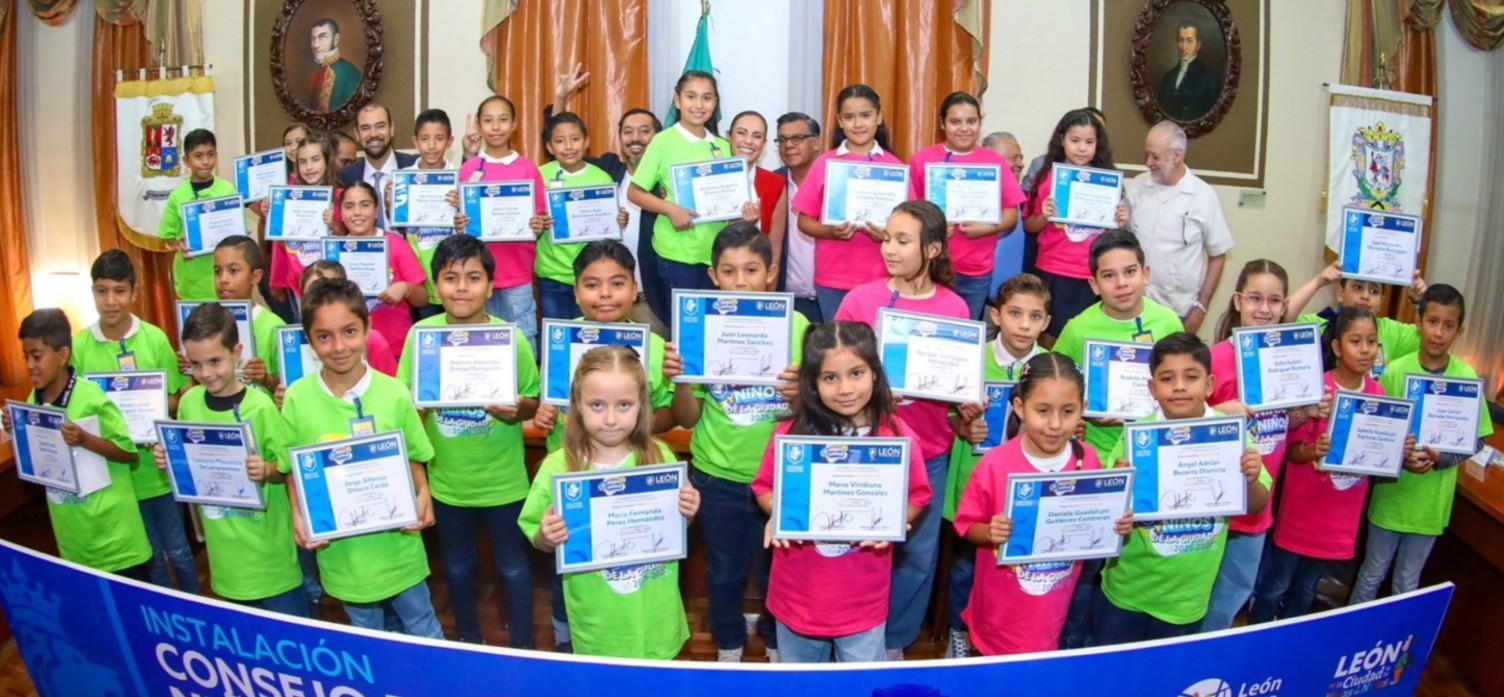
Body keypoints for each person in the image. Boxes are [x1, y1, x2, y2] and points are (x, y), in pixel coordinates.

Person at [666, 224, 806, 662]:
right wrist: (682, 378)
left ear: (771, 273)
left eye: (751, 270)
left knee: (775, 571)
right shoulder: (697, 326)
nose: (740, 281)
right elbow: (687, 418)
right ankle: (728, 643)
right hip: (717, 472)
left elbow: (810, 414)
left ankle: (774, 639)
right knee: (725, 570)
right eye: (728, 271)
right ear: (713, 276)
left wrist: (797, 395)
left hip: (778, 476)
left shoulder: (798, 326)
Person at [751, 322, 932, 663]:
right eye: (830, 378)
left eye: (856, 373)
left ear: (875, 373)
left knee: (860, 683)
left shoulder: (897, 436)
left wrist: (892, 523)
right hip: (797, 597)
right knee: (801, 685)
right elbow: (764, 487)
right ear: (813, 384)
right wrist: (779, 511)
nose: (845, 388)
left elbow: (918, 495)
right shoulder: (792, 436)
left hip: (862, 601)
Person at [833, 200, 967, 659]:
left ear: (932, 249)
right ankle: (849, 635)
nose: (889, 248)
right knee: (855, 551)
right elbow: (830, 372)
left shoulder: (954, 307)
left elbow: (957, 388)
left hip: (928, 453)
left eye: (902, 241)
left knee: (915, 558)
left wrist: (969, 404)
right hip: (864, 453)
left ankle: (893, 644)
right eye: (888, 238)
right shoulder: (859, 300)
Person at [396, 235, 541, 647]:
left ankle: (525, 644)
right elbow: (404, 404)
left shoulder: (511, 338)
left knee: (514, 568)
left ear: (491, 287)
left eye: (474, 278)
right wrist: (414, 407)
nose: (461, 288)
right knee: (458, 569)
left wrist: (520, 409)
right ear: (435, 285)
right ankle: (468, 641)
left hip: (504, 481)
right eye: (450, 278)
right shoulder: (421, 337)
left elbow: (532, 402)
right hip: (447, 482)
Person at [280, 279, 442, 637]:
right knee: (367, 635)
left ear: (368, 328)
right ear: (309, 340)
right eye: (324, 336)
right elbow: (292, 468)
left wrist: (423, 493)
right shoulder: (296, 399)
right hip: (344, 558)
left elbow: (416, 456)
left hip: (399, 549)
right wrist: (297, 514)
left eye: (350, 331)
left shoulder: (394, 392)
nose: (339, 346)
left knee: (424, 627)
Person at [519, 345, 701, 659]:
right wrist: (545, 536)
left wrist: (689, 510)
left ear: (642, 405)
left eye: (624, 405)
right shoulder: (557, 467)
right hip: (598, 627)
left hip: (657, 618)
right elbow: (536, 533)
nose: (611, 419)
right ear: (577, 406)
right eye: (597, 405)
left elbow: (677, 527)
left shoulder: (661, 459)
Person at [1049, 230, 1182, 647]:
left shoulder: (1167, 323)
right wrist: (1081, 415)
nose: (1121, 283)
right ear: (1093, 284)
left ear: (1146, 274)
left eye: (1129, 272)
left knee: (1134, 557)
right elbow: (1059, 391)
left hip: (1151, 462)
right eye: (1109, 276)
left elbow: (1180, 391)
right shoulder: (1078, 329)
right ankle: (1074, 646)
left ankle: (1117, 642)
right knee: (1087, 564)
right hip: (1095, 459)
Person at [1095, 333, 1269, 643]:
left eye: (1191, 377)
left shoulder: (1231, 434)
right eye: (1167, 378)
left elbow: (1257, 504)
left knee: (1167, 670)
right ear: (1152, 388)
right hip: (1128, 589)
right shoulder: (1137, 435)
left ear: (1209, 384)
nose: (1179, 386)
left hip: (1187, 599)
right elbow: (1110, 515)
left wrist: (1251, 477)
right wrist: (1119, 487)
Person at [957, 353, 1133, 655]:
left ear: (1083, 410)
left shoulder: (1088, 460)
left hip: (1053, 611)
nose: (1055, 424)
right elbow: (967, 525)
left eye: (1068, 411)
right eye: (1042, 410)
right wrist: (990, 532)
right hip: (999, 616)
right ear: (1020, 407)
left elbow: (1099, 529)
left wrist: (1119, 523)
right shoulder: (995, 464)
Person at [1250, 308, 1415, 622]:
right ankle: (1257, 639)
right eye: (1356, 341)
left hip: (1339, 518)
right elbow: (1291, 452)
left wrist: (1399, 449)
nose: (1365, 350)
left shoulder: (1379, 394)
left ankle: (1293, 641)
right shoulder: (1318, 389)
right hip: (1302, 512)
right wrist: (1314, 451)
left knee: (1306, 589)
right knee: (1275, 586)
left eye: (1371, 342)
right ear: (1338, 347)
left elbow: (1379, 454)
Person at [1198, 260, 1330, 631]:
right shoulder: (1216, 358)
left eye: (1274, 301)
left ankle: (1213, 652)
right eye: (1255, 298)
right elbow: (1183, 428)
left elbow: (1277, 427)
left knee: (1234, 593)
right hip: (1213, 506)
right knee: (1198, 595)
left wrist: (1304, 413)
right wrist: (1218, 413)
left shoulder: (1289, 360)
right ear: (1238, 300)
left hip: (1257, 506)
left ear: (1285, 306)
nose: (1264, 308)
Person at [155, 304, 305, 616]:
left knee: (289, 634)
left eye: (215, 361)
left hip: (270, 556)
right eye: (196, 364)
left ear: (236, 352)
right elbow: (189, 472)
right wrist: (170, 460)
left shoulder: (261, 406)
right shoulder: (189, 404)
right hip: (225, 558)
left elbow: (285, 469)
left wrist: (266, 469)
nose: (206, 373)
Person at [1352, 285, 1490, 604]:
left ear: (1459, 331)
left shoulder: (1467, 377)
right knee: (1371, 574)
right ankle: (1351, 635)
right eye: (1432, 322)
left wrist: (1443, 457)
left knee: (1406, 583)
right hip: (1390, 499)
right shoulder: (1396, 371)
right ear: (1418, 322)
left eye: (1448, 325)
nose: (1438, 333)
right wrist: (1399, 455)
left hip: (1429, 506)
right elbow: (1374, 430)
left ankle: (1398, 638)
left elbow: (1478, 437)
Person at [71, 251, 192, 591]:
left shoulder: (154, 338)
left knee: (179, 551)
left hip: (156, 470)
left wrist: (149, 407)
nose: (111, 301)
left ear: (134, 292)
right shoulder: (79, 347)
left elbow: (178, 399)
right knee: (148, 556)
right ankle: (156, 612)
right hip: (115, 475)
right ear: (93, 292)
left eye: (120, 291)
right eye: (102, 291)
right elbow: (75, 407)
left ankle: (193, 607)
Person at [943, 272, 1050, 656]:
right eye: (1015, 313)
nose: (1024, 325)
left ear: (1046, 322)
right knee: (966, 569)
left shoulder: (1051, 368)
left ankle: (1000, 638)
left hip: (1029, 487)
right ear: (996, 315)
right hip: (976, 482)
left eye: (1034, 316)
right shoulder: (972, 358)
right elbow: (948, 416)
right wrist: (964, 426)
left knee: (1012, 572)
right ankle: (958, 632)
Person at [4, 309, 151, 580]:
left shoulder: (91, 397)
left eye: (37, 356)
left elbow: (129, 454)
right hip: (74, 541)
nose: (30, 365)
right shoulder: (33, 399)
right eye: (26, 357)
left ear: (62, 356)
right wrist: (17, 430)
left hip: (116, 542)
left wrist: (85, 439)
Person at [794, 85, 909, 320]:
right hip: (832, 278)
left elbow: (910, 226)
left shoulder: (895, 167)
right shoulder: (824, 163)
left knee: (874, 342)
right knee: (839, 341)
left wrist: (887, 236)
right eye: (849, 117)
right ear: (839, 121)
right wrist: (830, 232)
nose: (858, 124)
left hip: (882, 277)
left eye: (865, 115)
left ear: (879, 117)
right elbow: (804, 221)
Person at [910, 93, 1027, 321]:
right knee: (928, 328)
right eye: (955, 122)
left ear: (980, 123)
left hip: (976, 270)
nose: (964, 129)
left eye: (971, 121)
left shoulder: (994, 162)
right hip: (930, 266)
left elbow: (1011, 214)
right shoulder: (923, 159)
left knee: (965, 331)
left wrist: (988, 228)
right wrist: (934, 229)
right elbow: (909, 214)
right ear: (942, 123)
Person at [628, 70, 738, 293]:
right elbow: (634, 192)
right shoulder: (662, 141)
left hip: (716, 254)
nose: (699, 105)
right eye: (691, 96)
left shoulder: (723, 146)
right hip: (676, 252)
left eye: (707, 97)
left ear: (715, 102)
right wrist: (670, 209)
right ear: (678, 101)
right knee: (684, 316)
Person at [1023, 110, 1127, 342]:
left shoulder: (1108, 180)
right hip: (1053, 270)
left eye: (1089, 142)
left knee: (1086, 338)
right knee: (1049, 338)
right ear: (1062, 140)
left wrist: (1121, 221)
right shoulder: (1047, 177)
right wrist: (1044, 217)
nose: (1082, 148)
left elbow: (1114, 234)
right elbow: (1029, 226)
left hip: (1092, 273)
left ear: (1098, 144)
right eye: (1075, 140)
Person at [454, 96, 548, 352]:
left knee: (522, 345)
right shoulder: (469, 169)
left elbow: (540, 219)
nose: (496, 127)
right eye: (488, 120)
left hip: (517, 275)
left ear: (514, 124)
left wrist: (537, 225)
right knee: (481, 346)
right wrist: (459, 223)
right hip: (477, 275)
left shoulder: (528, 169)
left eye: (503, 120)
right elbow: (460, 220)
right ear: (479, 125)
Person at [1124, 121, 1233, 333]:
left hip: (1179, 311)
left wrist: (1201, 307)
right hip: (1136, 305)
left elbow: (1218, 255)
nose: (1148, 162)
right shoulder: (1137, 186)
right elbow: (1123, 241)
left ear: (1177, 155)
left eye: (1155, 156)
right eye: (1147, 154)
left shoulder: (1203, 195)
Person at [535, 111, 630, 321]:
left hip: (592, 275)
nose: (568, 146)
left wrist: (619, 221)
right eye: (560, 141)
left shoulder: (601, 178)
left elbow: (611, 224)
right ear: (550, 147)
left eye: (575, 139)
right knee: (558, 333)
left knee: (591, 332)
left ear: (586, 141)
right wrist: (538, 223)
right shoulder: (539, 175)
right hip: (552, 273)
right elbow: (529, 222)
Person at [1287, 263, 1424, 380]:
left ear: (1381, 301)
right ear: (1341, 293)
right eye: (1358, 287)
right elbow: (1283, 320)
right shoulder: (1321, 324)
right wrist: (1318, 282)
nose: (1365, 296)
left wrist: (1420, 301)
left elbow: (1431, 337)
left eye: (1374, 291)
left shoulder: (1392, 332)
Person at [337, 182, 429, 357]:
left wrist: (406, 288)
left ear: (376, 210)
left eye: (365, 205)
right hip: (350, 351)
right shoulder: (334, 250)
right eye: (349, 206)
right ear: (341, 213)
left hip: (396, 349)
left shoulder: (396, 244)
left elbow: (423, 299)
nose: (357, 212)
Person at [270, 134, 344, 318]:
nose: (309, 167)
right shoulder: (289, 199)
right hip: (299, 280)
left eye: (315, 160)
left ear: (328, 161)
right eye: (303, 162)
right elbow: (280, 245)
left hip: (335, 280)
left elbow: (350, 239)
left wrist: (335, 224)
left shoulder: (342, 197)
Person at [158, 128, 237, 301]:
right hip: (191, 280)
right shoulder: (178, 196)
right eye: (198, 156)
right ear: (186, 161)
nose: (206, 162)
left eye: (210, 155)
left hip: (225, 280)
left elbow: (238, 235)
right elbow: (167, 240)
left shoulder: (228, 190)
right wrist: (179, 245)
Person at [398, 108, 459, 320]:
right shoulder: (403, 179)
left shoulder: (460, 177)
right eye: (425, 139)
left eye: (439, 139)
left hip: (454, 274)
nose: (431, 146)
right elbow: (398, 225)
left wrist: (463, 205)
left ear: (450, 141)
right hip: (419, 276)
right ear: (415, 141)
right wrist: (391, 204)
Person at [295, 260, 399, 378]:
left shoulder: (374, 340)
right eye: (314, 293)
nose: (338, 347)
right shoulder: (294, 344)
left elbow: (391, 382)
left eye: (332, 290)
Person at [212, 235, 286, 393]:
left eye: (233, 271)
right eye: (218, 271)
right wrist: (192, 365)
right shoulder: (207, 323)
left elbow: (292, 387)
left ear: (255, 276)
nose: (223, 279)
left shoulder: (274, 326)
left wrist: (266, 379)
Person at [774, 112, 824, 323]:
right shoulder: (772, 183)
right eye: (783, 139)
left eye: (797, 138)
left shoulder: (834, 179)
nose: (788, 145)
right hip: (788, 301)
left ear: (815, 143)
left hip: (830, 298)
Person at [338, 104, 419, 228]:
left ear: (391, 129)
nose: (373, 134)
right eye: (365, 128)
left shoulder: (415, 167)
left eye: (380, 126)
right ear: (357, 134)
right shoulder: (346, 177)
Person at [727, 111, 788, 274]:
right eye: (741, 133)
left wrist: (769, 287)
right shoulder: (707, 179)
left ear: (764, 143)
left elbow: (774, 250)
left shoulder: (774, 184)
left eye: (757, 136)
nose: (748, 141)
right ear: (729, 136)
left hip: (755, 278)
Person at [981, 131, 1029, 291]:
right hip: (981, 288)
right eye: (1014, 158)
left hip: (1018, 293)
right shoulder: (975, 201)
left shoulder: (1026, 199)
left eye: (1021, 157)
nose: (1021, 164)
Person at [1156, 23, 1221, 121]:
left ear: (1198, 45)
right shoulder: (1168, 77)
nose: (1183, 47)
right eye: (1180, 40)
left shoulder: (1210, 79)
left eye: (1189, 41)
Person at [307, 18, 360, 112]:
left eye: (322, 37)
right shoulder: (317, 75)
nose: (315, 45)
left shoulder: (350, 73)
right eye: (313, 38)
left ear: (336, 39)